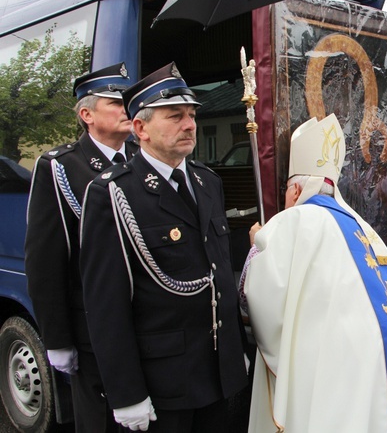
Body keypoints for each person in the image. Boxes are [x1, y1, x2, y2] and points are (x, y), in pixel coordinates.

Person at [243, 114, 387, 432]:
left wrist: (255, 249)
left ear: (296, 190)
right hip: (386, 356)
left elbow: (264, 300)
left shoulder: (293, 220)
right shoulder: (361, 225)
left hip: (337, 365)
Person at [78, 63, 248, 432]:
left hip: (220, 374)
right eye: (175, 116)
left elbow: (218, 275)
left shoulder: (207, 181)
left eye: (191, 115)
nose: (189, 125)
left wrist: (239, 355)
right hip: (164, 383)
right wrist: (126, 395)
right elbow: (106, 306)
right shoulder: (114, 192)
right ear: (140, 128)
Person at [25, 63, 136, 432]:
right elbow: (45, 260)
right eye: (116, 102)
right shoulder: (61, 167)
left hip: (141, 324)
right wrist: (57, 339)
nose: (127, 108)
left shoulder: (139, 159)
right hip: (91, 327)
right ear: (87, 115)